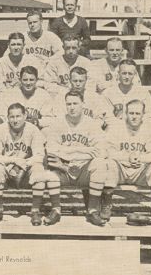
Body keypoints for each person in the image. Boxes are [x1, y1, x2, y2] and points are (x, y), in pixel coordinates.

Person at [43, 90, 108, 227]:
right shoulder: (57, 123)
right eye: (69, 104)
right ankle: (56, 210)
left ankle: (92, 211)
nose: (72, 107)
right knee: (49, 172)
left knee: (100, 164)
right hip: (63, 168)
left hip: (84, 169)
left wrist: (68, 153)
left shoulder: (92, 124)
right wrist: (81, 151)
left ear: (83, 104)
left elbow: (101, 151)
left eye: (75, 103)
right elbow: (51, 148)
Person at [104, 99, 151, 223]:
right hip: (121, 170)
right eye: (131, 113)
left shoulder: (150, 128)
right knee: (108, 164)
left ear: (143, 115)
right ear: (125, 114)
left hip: (141, 171)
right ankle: (107, 206)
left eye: (137, 114)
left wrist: (141, 158)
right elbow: (107, 151)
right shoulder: (116, 127)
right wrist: (127, 157)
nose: (134, 117)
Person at [0, 103, 51, 226]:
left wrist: (23, 164)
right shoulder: (0, 129)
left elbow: (39, 155)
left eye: (18, 116)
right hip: (7, 166)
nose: (15, 120)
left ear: (25, 116)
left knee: (38, 169)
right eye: (12, 117)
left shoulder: (33, 129)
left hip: (26, 168)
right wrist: (14, 161)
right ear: (7, 117)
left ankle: (35, 211)